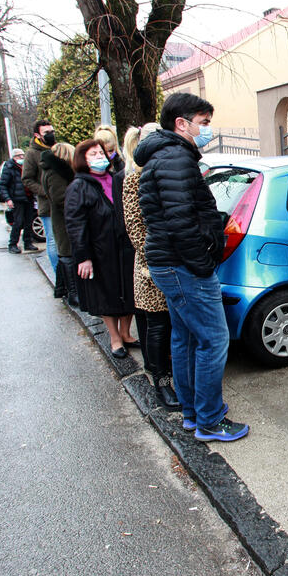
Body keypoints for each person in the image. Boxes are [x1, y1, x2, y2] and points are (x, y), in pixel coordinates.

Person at [136, 93, 248, 443]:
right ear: (181, 124)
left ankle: (192, 413)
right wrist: (202, 265)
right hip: (183, 266)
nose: (208, 130)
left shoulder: (164, 156)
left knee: (184, 338)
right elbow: (181, 222)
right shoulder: (175, 158)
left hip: (171, 264)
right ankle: (210, 420)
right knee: (214, 340)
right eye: (204, 123)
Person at [121, 123, 179, 410]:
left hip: (175, 262)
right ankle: (161, 383)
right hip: (152, 265)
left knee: (171, 325)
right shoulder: (134, 179)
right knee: (157, 325)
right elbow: (135, 226)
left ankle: (171, 374)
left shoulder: (167, 173)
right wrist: (153, 263)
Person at [64, 139, 137, 359]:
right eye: (93, 154)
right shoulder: (79, 186)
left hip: (125, 248)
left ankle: (126, 333)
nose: (99, 157)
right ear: (83, 160)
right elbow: (75, 224)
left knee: (129, 291)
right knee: (108, 295)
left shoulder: (117, 179)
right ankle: (115, 338)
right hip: (101, 252)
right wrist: (83, 256)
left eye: (101, 153)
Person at [41, 142, 78, 305]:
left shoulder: (53, 171)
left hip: (63, 220)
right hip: (64, 221)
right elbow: (60, 199)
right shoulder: (56, 174)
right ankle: (73, 292)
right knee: (67, 253)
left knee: (67, 253)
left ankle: (68, 289)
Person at [23, 120, 55, 258]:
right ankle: (57, 270)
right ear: (37, 135)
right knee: (53, 241)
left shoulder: (57, 149)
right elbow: (27, 179)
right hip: (47, 205)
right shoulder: (32, 154)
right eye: (46, 132)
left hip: (64, 201)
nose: (51, 135)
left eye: (52, 131)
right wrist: (45, 192)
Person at [0, 148, 39, 254]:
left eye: (22, 155)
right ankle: (12, 244)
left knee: (29, 221)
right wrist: (8, 199)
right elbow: (3, 185)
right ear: (14, 157)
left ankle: (28, 243)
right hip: (17, 199)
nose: (21, 157)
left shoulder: (26, 166)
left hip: (28, 198)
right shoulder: (9, 168)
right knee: (18, 222)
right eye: (19, 155)